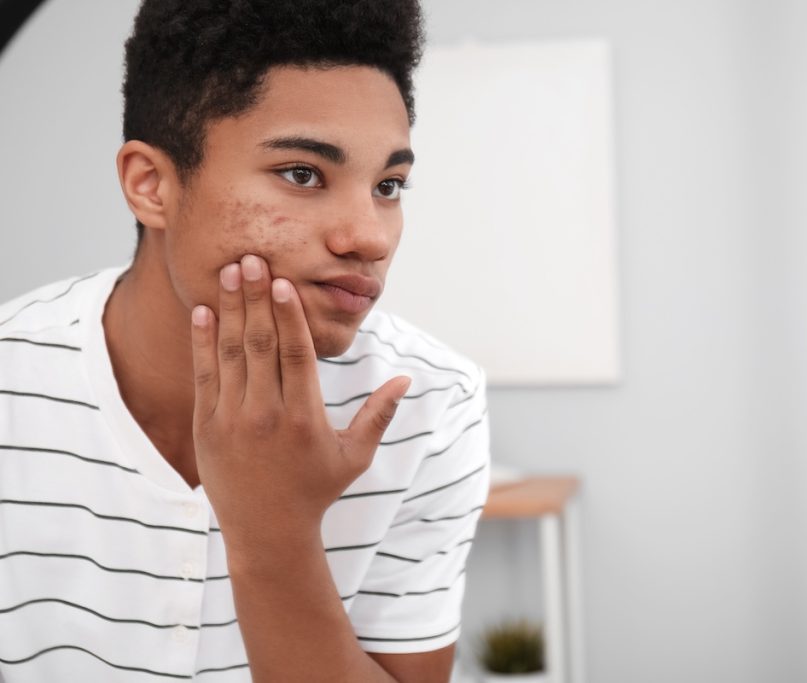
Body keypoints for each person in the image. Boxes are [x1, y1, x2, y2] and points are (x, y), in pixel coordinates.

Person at [0, 1, 490, 681]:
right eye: (302, 173)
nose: (370, 237)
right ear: (151, 186)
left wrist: (275, 533)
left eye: (388, 185)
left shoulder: (429, 404)